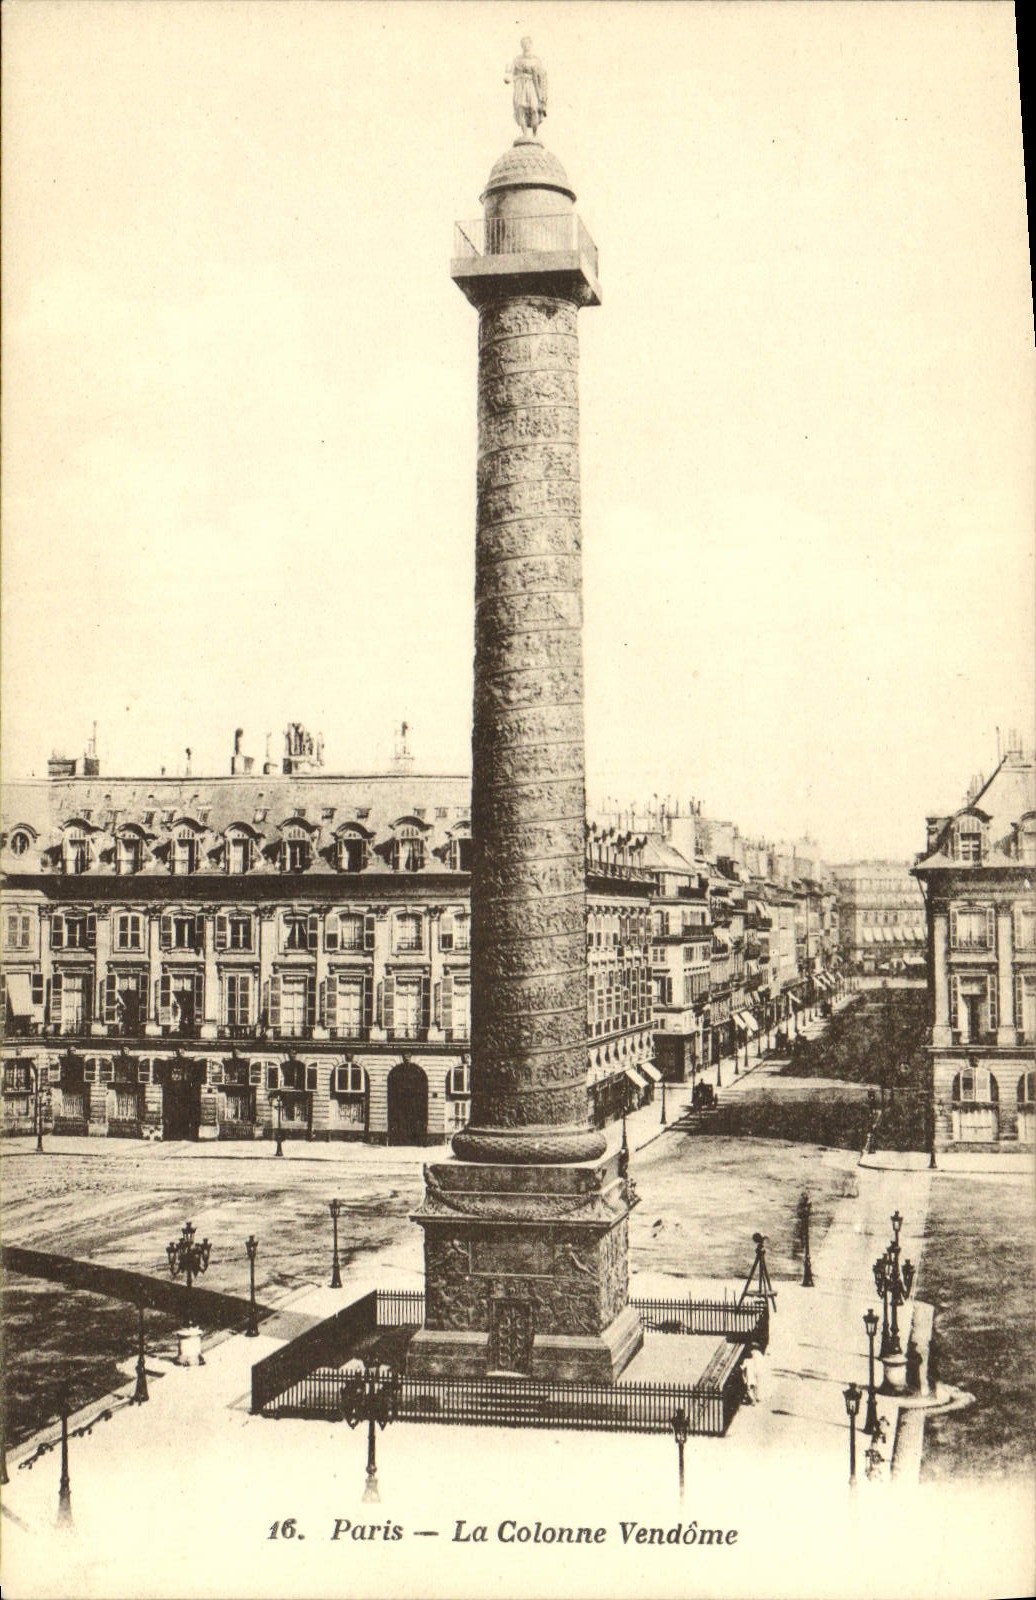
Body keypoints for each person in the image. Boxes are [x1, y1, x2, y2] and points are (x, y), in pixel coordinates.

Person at [505, 38, 548, 139]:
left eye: (527, 43)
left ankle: (535, 134)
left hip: (532, 86)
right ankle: (524, 133)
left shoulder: (536, 60)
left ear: (531, 45)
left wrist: (542, 94)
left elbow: (542, 76)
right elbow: (509, 73)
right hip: (520, 85)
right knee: (520, 107)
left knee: (534, 108)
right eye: (523, 44)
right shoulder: (517, 60)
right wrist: (507, 76)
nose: (525, 45)